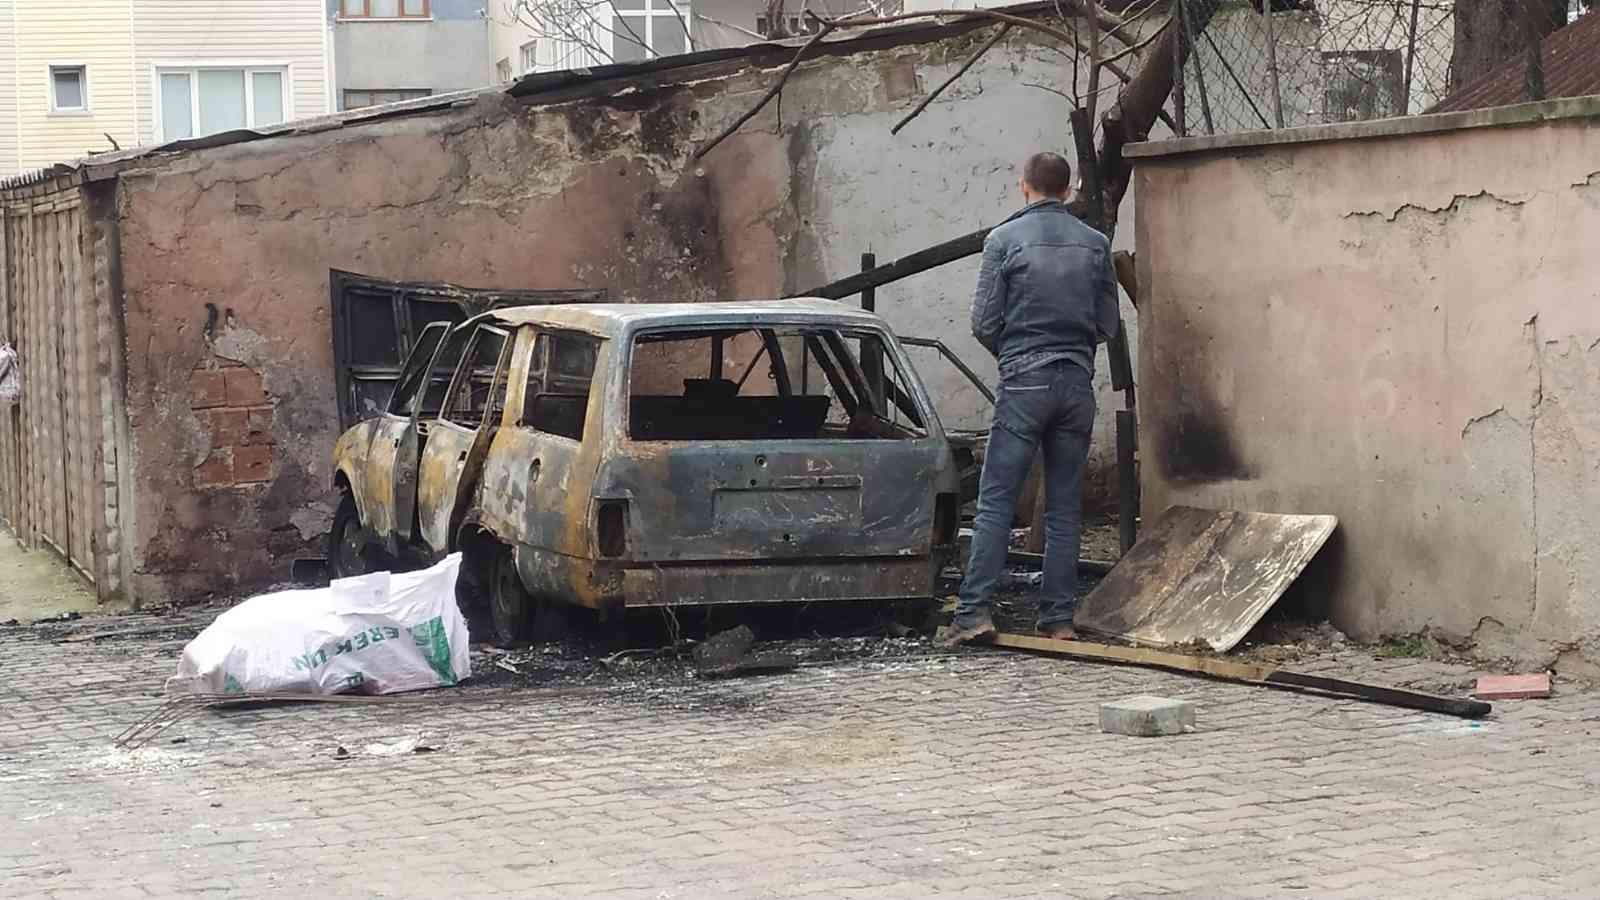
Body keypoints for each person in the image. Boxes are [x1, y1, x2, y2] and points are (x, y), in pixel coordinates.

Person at [941, 151, 1120, 648]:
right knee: (1064, 507)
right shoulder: (1096, 244)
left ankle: (973, 614)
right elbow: (1107, 323)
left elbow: (983, 322)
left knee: (997, 502)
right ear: (1067, 189)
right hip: (1076, 384)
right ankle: (1058, 620)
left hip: (1024, 382)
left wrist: (1017, 356)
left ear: (1024, 186)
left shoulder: (1002, 240)